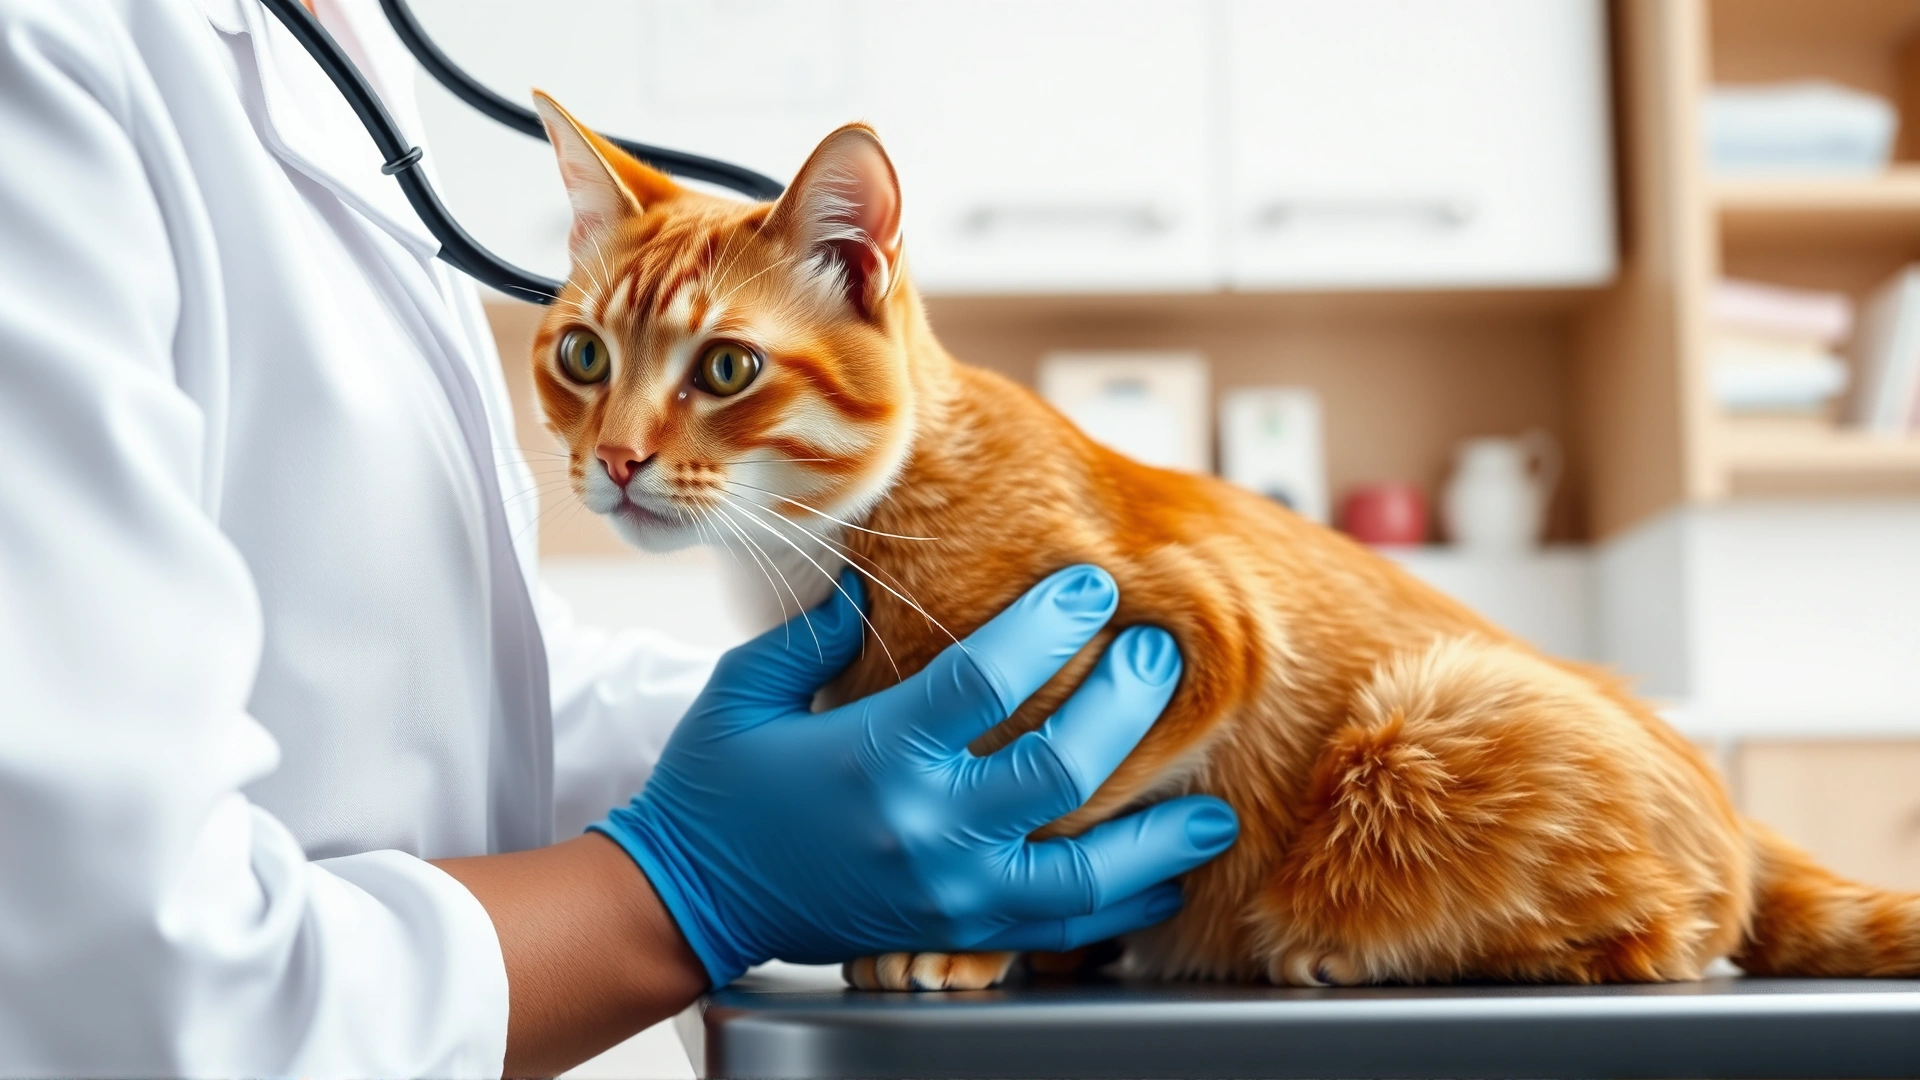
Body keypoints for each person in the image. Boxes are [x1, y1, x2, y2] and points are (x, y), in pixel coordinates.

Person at [0, 1, 1239, 1075]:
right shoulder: (53, 55)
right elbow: (137, 988)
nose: (623, 444)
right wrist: (688, 884)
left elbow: (461, 674)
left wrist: (845, 752)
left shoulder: (341, 43)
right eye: (585, 358)